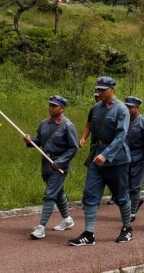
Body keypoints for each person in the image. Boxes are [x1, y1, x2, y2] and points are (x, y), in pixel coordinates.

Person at [69, 76, 133, 246]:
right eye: (99, 89)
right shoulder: (96, 108)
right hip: (97, 158)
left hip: (116, 160)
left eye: (104, 90)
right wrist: (91, 148)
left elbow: (121, 136)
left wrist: (106, 154)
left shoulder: (121, 110)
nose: (100, 93)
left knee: (121, 195)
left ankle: (127, 228)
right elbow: (93, 131)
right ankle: (89, 233)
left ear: (113, 89)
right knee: (90, 194)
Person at [24, 94, 78, 239]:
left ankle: (41, 227)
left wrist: (60, 162)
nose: (50, 108)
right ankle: (67, 219)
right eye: (50, 105)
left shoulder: (67, 125)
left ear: (62, 108)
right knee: (57, 192)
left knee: (50, 194)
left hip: (59, 166)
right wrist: (29, 141)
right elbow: (39, 141)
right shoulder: (44, 124)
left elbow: (73, 148)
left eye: (54, 106)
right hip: (46, 163)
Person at [124, 96, 144, 222]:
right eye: (127, 107)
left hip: (138, 157)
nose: (129, 109)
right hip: (124, 157)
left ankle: (132, 212)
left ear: (137, 108)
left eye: (131, 107)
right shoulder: (123, 120)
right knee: (124, 185)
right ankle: (135, 201)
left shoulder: (143, 122)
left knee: (135, 187)